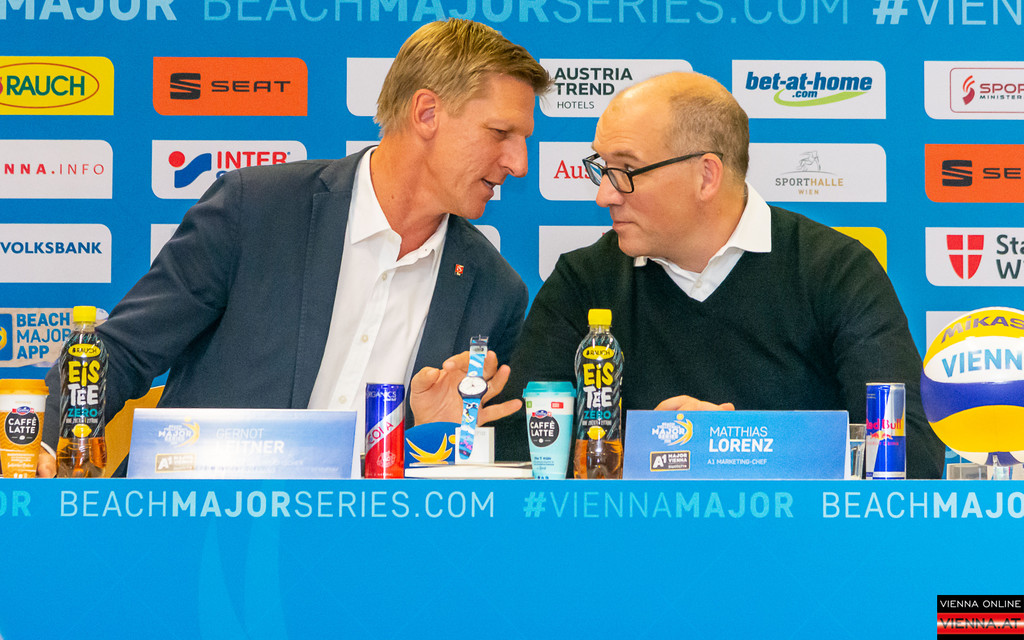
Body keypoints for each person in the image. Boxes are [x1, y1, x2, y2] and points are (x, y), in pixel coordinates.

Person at [39, 19, 549, 477]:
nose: (520, 163)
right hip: (190, 524)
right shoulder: (255, 209)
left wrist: (430, 440)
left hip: (364, 542)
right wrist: (46, 448)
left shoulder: (495, 291)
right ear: (427, 112)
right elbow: (120, 352)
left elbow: (460, 478)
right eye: (500, 132)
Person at [494, 71, 946, 479]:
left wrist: (729, 447)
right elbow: (519, 449)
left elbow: (910, 455)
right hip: (631, 541)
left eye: (627, 170)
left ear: (706, 176)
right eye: (602, 168)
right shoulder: (583, 281)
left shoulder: (835, 271)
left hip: (798, 542)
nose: (605, 195)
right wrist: (659, 454)